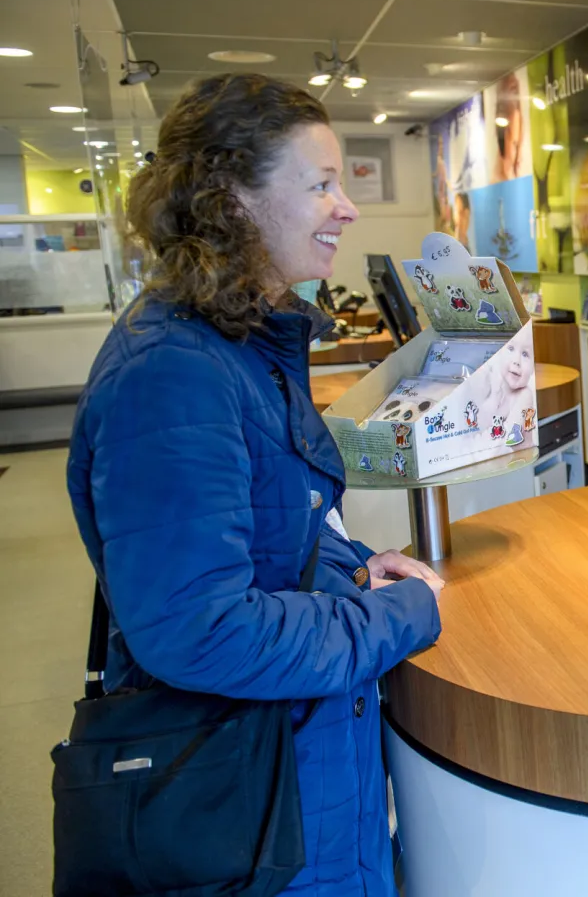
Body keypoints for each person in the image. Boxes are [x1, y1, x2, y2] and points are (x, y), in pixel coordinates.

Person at [67, 73, 445, 896]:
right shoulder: (172, 372)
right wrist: (395, 616)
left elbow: (275, 535)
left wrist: (350, 571)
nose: (346, 207)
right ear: (231, 200)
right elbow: (200, 629)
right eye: (320, 183)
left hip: (296, 770)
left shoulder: (240, 340)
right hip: (254, 803)